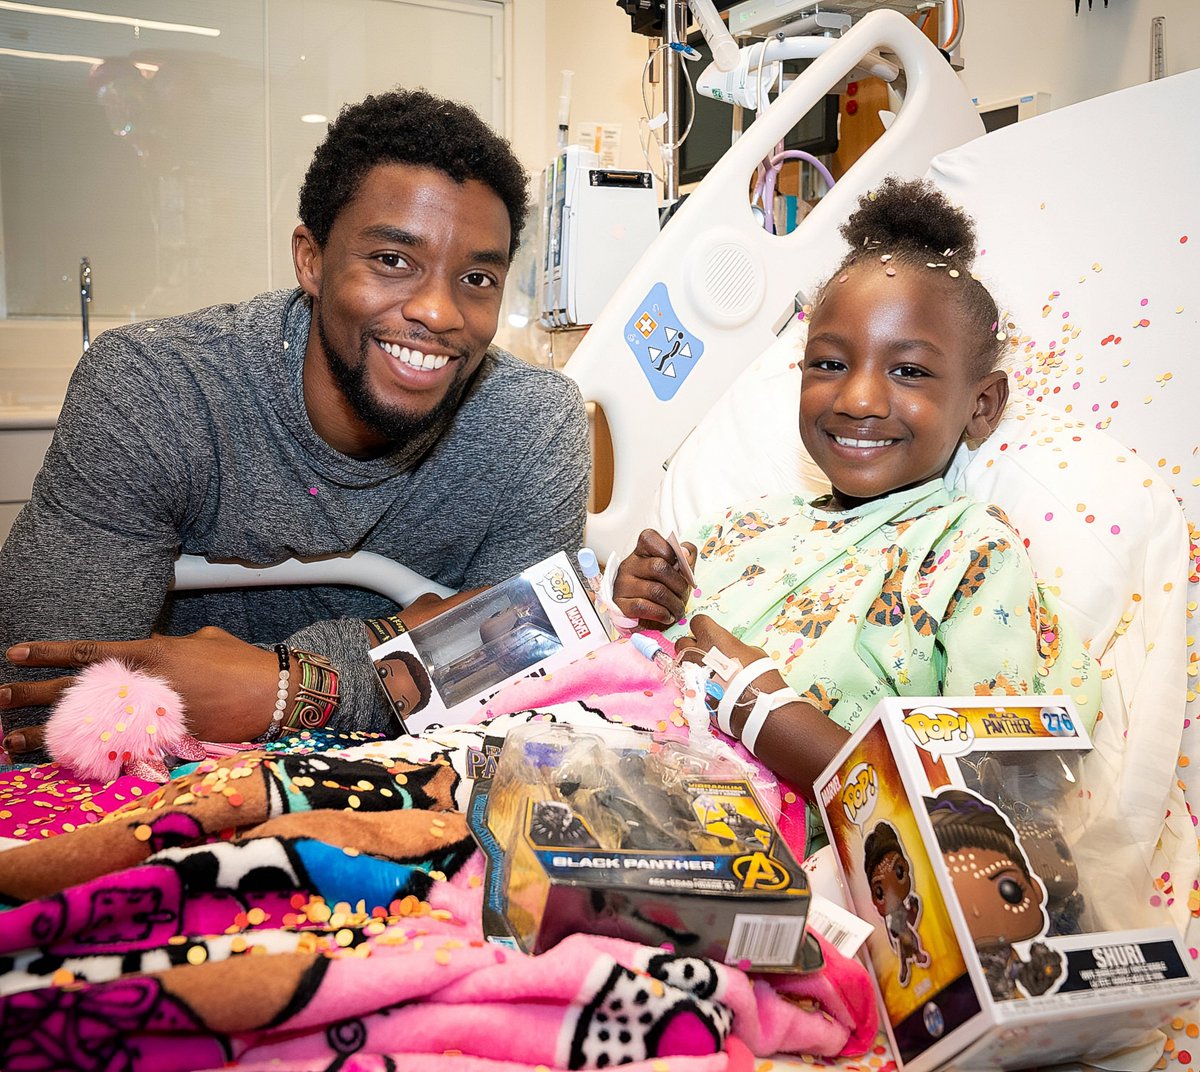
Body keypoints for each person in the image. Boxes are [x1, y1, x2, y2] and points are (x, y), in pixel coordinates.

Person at [0, 88, 590, 753]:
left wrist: (283, 687)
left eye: (477, 278)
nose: (439, 311)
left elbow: (528, 666)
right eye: (393, 261)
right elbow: (43, 706)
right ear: (311, 259)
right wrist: (411, 646)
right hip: (157, 787)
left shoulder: (532, 426)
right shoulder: (159, 389)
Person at [611, 177, 1100, 840]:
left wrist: (774, 719)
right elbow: (643, 656)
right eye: (830, 364)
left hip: (773, 860)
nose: (858, 399)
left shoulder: (968, 557)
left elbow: (982, 812)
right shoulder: (745, 525)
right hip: (613, 783)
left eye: (909, 371)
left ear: (982, 405)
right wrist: (640, 599)